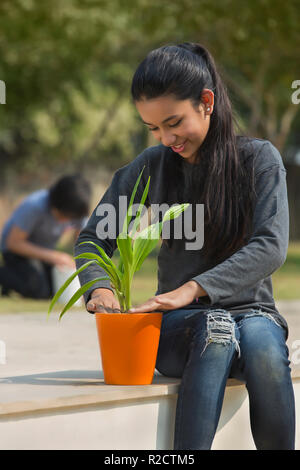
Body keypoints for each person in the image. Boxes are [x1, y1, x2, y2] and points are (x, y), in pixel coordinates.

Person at [74, 43, 295, 450]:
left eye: (174, 122)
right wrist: (99, 287)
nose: (166, 137)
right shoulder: (148, 169)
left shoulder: (259, 160)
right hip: (179, 328)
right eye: (154, 128)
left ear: (206, 102)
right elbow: (92, 239)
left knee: (264, 348)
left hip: (253, 312)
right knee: (216, 328)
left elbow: (270, 246)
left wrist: (191, 288)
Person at [0, 173, 91, 299]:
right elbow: (13, 243)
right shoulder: (34, 206)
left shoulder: (77, 210)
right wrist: (55, 257)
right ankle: (5, 275)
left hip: (44, 254)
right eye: (63, 216)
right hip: (15, 252)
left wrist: (79, 271)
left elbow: (83, 242)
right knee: (38, 289)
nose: (65, 222)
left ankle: (14, 281)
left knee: (56, 289)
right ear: (55, 204)